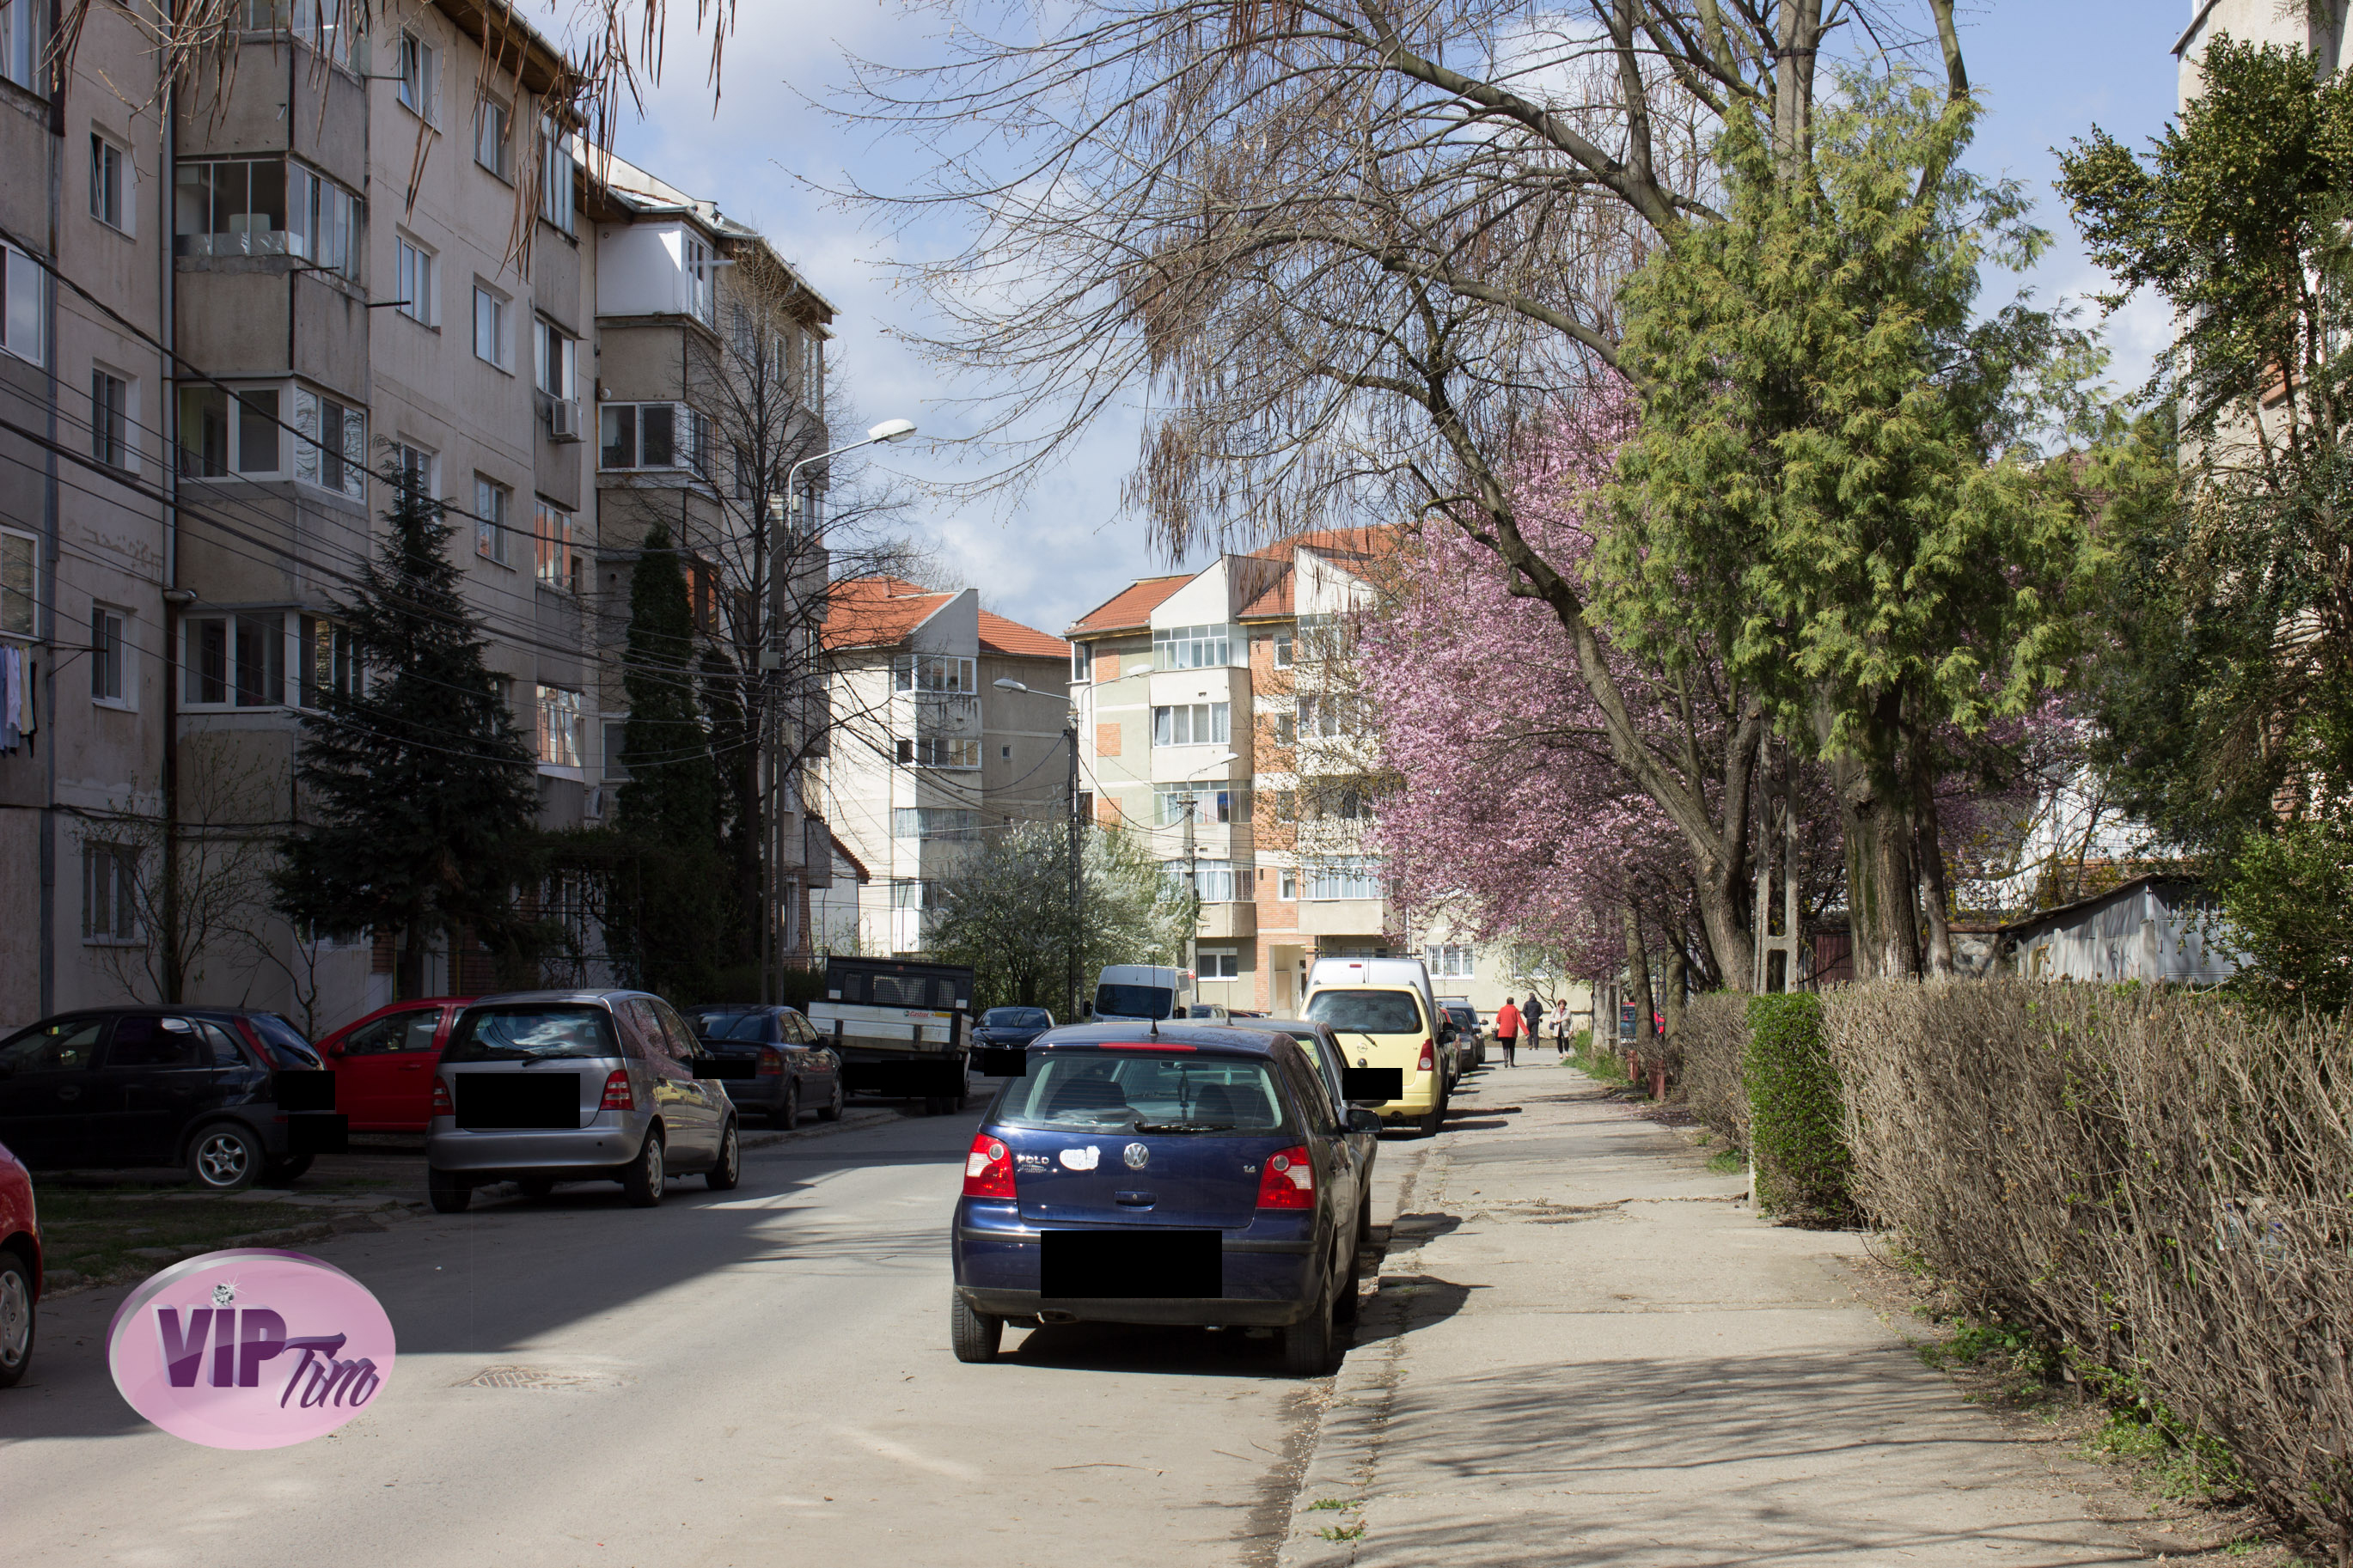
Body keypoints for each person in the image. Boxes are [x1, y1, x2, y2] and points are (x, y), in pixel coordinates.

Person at [1495, 997, 1521, 1068]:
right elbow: (1520, 1021)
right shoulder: (1515, 1010)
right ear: (1513, 1002)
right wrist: (1527, 1032)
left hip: (1503, 1031)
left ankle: (1506, 1059)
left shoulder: (1502, 1009)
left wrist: (1503, 1023)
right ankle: (1512, 1062)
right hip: (1513, 1031)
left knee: (1505, 1046)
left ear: (1507, 1002)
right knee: (1512, 1047)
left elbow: (1498, 1020)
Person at [1521, 993, 1547, 1060]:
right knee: (1535, 1033)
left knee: (1528, 1032)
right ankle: (1536, 1046)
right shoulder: (1538, 1003)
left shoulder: (1527, 1003)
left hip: (1529, 1019)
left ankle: (1530, 1044)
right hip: (1536, 1019)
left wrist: (1527, 1016)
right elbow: (1542, 1011)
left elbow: (1523, 1011)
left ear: (1529, 997)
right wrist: (1537, 1015)